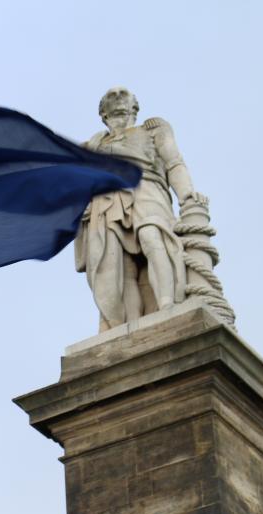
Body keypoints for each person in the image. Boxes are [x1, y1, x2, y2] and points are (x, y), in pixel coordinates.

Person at [75, 87, 206, 331]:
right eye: (112, 97)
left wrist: (187, 194)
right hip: (106, 198)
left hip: (147, 186)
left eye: (123, 94)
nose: (118, 96)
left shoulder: (152, 128)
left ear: (135, 107)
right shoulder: (92, 145)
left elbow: (174, 162)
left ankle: (168, 304)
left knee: (152, 237)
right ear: (103, 113)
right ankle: (123, 325)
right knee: (116, 266)